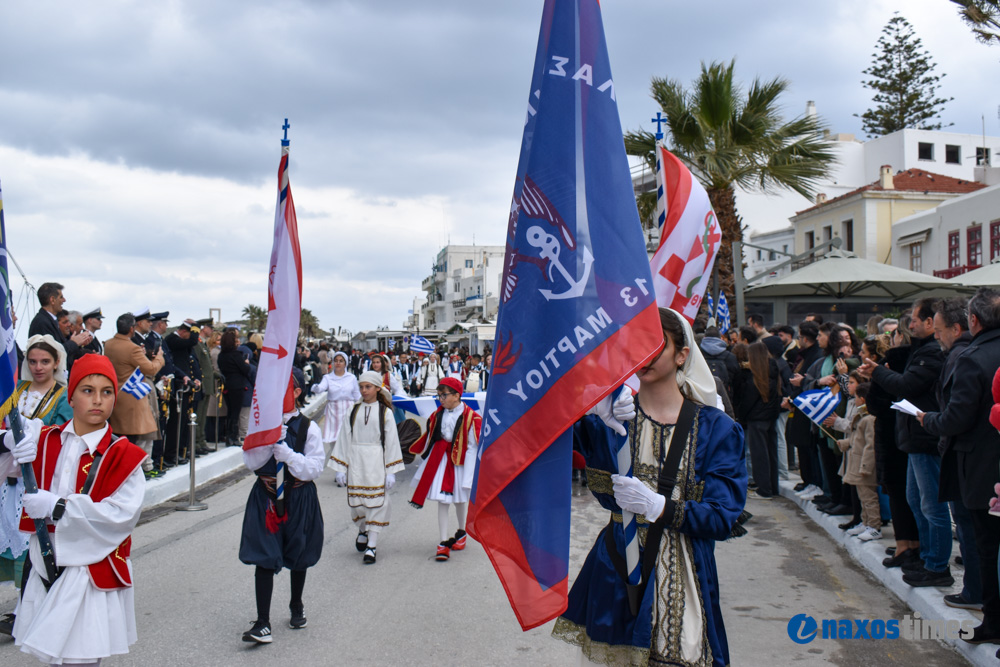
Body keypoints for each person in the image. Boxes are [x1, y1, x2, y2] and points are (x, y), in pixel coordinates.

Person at [553, 308, 746, 666]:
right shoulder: (610, 422)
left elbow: (723, 516)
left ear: (682, 354)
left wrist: (660, 507)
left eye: (656, 344)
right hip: (615, 571)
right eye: (635, 344)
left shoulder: (717, 429)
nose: (644, 354)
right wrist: (581, 408)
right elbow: (531, 444)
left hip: (684, 570)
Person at [0, 354, 147, 664]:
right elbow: (6, 467)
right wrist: (8, 443)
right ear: (72, 394)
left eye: (107, 392)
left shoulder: (124, 456)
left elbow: (121, 516)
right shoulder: (42, 440)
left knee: (81, 658)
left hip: (90, 571)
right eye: (87, 390)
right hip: (44, 563)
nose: (98, 400)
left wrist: (58, 507)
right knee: (54, 657)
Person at [918, 287, 1000, 642]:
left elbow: (958, 417)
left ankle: (993, 621)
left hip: (982, 466)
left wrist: (928, 420)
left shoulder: (972, 357)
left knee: (986, 545)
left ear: (973, 321)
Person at [862, 299, 951, 587]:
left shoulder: (931, 354)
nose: (908, 325)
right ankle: (926, 557)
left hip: (926, 437)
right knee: (917, 501)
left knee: (931, 506)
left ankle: (936, 565)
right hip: (915, 438)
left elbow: (906, 386)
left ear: (930, 323)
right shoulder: (921, 351)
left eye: (913, 320)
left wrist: (877, 371)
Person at [239, 368, 324, 644]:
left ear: (297, 392)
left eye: (283, 388)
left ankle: (296, 604)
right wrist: (266, 443)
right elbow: (251, 463)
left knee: (298, 552)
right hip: (266, 496)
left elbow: (314, 469)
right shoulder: (261, 423)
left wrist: (286, 454)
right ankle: (263, 622)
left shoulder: (309, 428)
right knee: (264, 556)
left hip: (298, 496)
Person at [0, 335, 73, 632]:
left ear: (56, 362)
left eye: (45, 361)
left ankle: (26, 607)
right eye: (32, 361)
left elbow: (67, 435)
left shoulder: (64, 395)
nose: (39, 367)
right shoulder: (16, 390)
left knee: (33, 541)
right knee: (10, 540)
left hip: (42, 478)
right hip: (10, 479)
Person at [329, 371, 404, 565]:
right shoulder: (352, 411)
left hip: (376, 460)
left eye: (368, 387)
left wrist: (391, 471)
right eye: (361, 387)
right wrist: (340, 467)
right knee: (358, 503)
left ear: (378, 388)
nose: (364, 390)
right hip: (356, 460)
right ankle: (363, 529)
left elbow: (391, 442)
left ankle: (372, 544)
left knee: (377, 502)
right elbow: (344, 438)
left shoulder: (385, 412)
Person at [408, 376, 481, 561]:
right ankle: (442, 542)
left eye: (444, 395)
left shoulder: (471, 416)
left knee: (459, 499)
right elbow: (431, 438)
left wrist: (469, 474)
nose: (441, 399)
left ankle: (462, 532)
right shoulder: (436, 415)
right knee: (443, 500)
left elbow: (473, 446)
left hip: (459, 463)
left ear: (457, 395)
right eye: (439, 395)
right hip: (440, 461)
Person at [105, 313, 166, 479]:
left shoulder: (108, 345)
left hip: (115, 394)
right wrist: (160, 358)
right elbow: (151, 369)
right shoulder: (131, 348)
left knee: (121, 438)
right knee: (139, 436)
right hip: (133, 395)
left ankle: (132, 469)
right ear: (132, 329)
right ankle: (137, 470)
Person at [733, 341, 782, 499]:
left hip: (756, 418)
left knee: (759, 454)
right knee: (771, 452)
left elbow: (747, 400)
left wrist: (741, 416)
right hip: (771, 417)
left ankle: (764, 489)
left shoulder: (754, 376)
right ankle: (773, 487)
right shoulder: (773, 370)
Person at [836, 380, 881, 541]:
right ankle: (865, 522)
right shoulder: (862, 417)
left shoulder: (869, 420)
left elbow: (870, 445)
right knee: (863, 496)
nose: (854, 400)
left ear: (862, 399)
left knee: (869, 498)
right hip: (857, 464)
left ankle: (874, 526)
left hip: (864, 466)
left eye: (855, 397)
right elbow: (857, 439)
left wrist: (865, 466)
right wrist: (845, 443)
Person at [311, 351, 361, 464]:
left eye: (341, 361)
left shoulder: (351, 378)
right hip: (333, 410)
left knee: (347, 439)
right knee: (334, 440)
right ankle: (338, 465)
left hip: (348, 409)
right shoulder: (328, 378)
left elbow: (357, 395)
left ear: (345, 363)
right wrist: (315, 387)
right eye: (336, 361)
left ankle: (347, 465)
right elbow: (321, 388)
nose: (338, 363)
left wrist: (364, 406)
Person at [219, 330, 253, 448]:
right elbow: (245, 369)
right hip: (237, 385)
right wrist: (247, 363)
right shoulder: (236, 355)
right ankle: (233, 436)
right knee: (236, 412)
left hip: (227, 385)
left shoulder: (221, 355)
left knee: (230, 412)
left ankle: (229, 436)